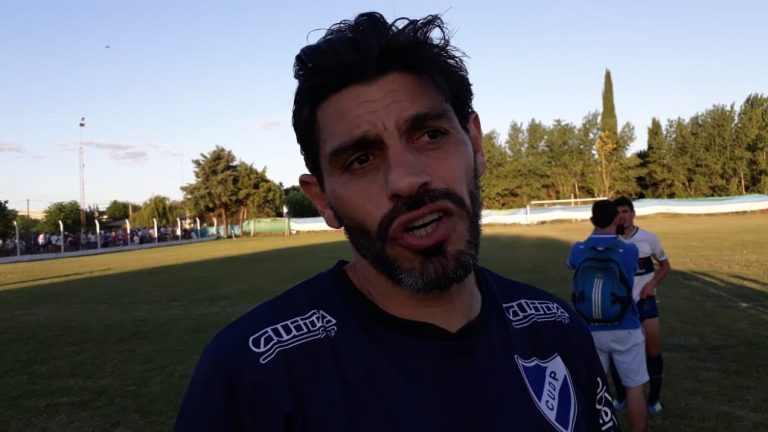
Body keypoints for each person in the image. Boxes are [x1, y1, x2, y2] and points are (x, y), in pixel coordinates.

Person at [175, 12, 618, 431]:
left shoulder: (556, 330)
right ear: (323, 199)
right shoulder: (249, 376)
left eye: (430, 134)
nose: (406, 180)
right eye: (361, 159)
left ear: (475, 144)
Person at [567, 200, 647, 432]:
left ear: (592, 220)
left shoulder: (578, 249)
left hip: (589, 329)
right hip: (626, 326)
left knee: (592, 389)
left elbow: (571, 265)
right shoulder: (629, 250)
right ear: (617, 219)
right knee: (634, 389)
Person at [610, 196, 671, 414]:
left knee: (652, 348)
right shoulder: (610, 240)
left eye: (625, 211)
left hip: (645, 302)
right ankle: (621, 396)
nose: (622, 216)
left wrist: (652, 284)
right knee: (617, 350)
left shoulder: (648, 238)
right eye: (617, 213)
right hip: (619, 304)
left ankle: (654, 398)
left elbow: (665, 266)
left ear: (633, 213)